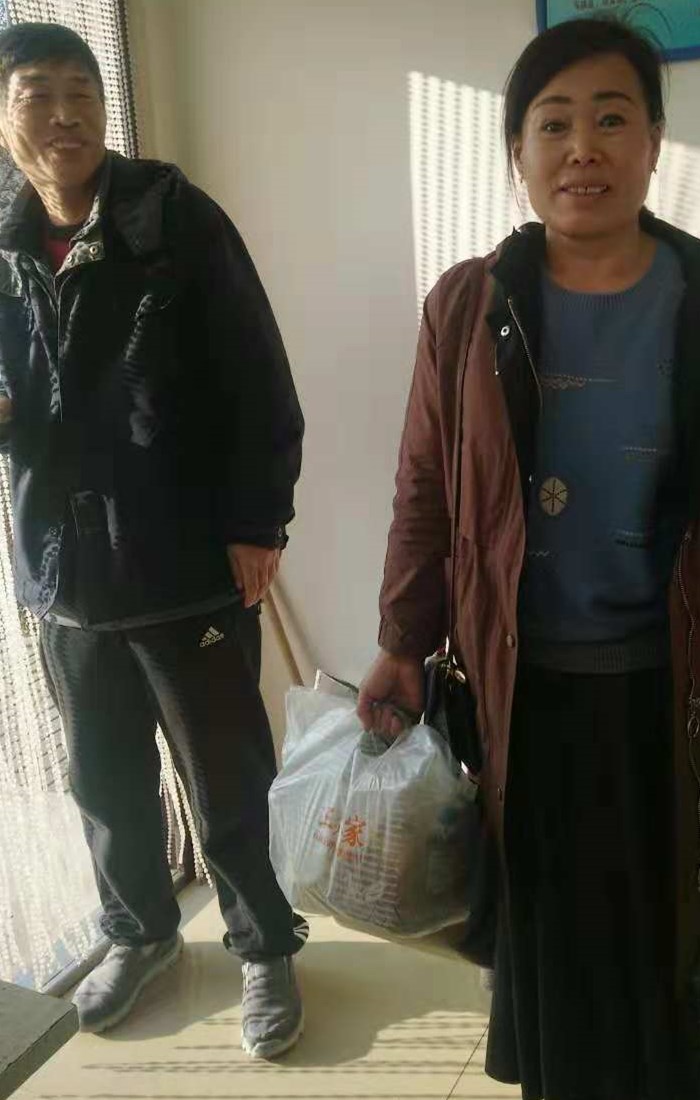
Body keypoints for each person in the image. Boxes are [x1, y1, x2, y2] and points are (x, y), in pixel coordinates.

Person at [359, 17, 700, 1100]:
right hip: (525, 689)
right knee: (556, 947)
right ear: (517, 152)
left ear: (653, 141)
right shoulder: (471, 304)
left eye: (611, 118)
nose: (582, 148)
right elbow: (424, 486)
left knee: (670, 939)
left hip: (673, 690)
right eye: (552, 124)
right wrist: (401, 641)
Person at [0, 22, 307, 1059]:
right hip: (62, 571)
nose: (67, 115)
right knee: (103, 779)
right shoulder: (3, 245)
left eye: (82, 91)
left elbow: (258, 378)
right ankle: (141, 932)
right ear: (3, 120)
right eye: (38, 95)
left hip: (183, 560)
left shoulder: (174, 218)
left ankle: (264, 944)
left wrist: (258, 522)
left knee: (226, 776)